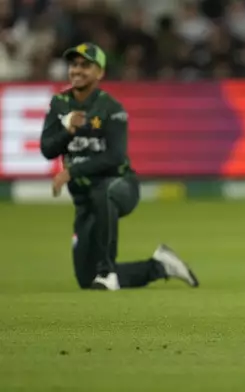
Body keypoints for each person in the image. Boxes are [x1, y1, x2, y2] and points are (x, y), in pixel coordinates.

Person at [39, 43, 200, 291]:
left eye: (85, 65)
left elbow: (115, 157)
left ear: (100, 73)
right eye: (74, 65)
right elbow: (47, 149)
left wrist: (71, 172)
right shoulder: (59, 104)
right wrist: (66, 130)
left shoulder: (111, 109)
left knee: (103, 192)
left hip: (121, 186)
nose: (77, 70)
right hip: (85, 202)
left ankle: (106, 271)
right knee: (86, 280)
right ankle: (160, 266)